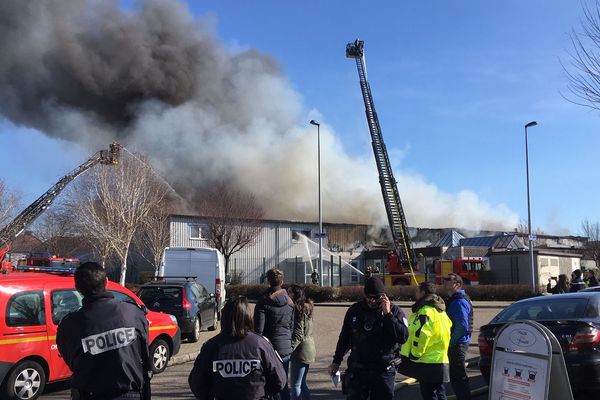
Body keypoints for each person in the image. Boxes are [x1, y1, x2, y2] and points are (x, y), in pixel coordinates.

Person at [57, 262, 152, 400]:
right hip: (131, 393)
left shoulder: (69, 325)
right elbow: (144, 354)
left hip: (91, 394)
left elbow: (71, 361)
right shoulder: (132, 313)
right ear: (106, 281)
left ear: (77, 288)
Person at [188, 296, 287, 400]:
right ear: (248, 316)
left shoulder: (211, 346)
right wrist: (262, 392)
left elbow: (197, 383)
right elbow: (279, 380)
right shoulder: (261, 344)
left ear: (224, 318)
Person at [327, 276, 409, 400]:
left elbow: (403, 336)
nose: (372, 300)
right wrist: (336, 361)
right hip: (358, 371)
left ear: (383, 296)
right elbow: (345, 338)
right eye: (368, 297)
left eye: (376, 298)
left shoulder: (394, 311)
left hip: (383, 371)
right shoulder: (355, 310)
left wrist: (388, 315)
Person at [400, 282, 451, 400]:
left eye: (417, 291)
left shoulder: (425, 311)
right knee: (440, 393)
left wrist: (414, 355)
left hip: (427, 361)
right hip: (441, 359)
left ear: (423, 293)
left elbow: (421, 335)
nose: (415, 293)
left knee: (429, 394)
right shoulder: (440, 311)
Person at [254, 268, 294, 400]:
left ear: (268, 281)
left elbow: (258, 331)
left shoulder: (263, 302)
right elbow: (291, 327)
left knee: (269, 385)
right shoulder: (289, 302)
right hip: (285, 348)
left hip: (268, 349)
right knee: (283, 384)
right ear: (282, 281)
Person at [444, 273, 472, 400]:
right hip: (458, 343)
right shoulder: (456, 300)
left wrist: (451, 342)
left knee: (458, 377)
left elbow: (461, 327)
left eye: (448, 280)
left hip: (457, 344)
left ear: (458, 284)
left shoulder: (459, 301)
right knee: (458, 376)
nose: (445, 282)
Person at [288, 285, 315, 400]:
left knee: (295, 384)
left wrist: (289, 349)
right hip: (308, 349)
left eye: (289, 292)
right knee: (302, 383)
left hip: (300, 351)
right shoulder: (307, 308)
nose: (287, 294)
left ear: (294, 295)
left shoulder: (298, 309)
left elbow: (298, 334)